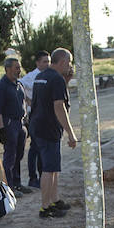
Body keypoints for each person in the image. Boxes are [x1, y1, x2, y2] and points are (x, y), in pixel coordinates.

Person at [27, 48, 79, 218]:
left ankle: (54, 200)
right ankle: (45, 207)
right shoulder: (56, 79)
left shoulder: (41, 76)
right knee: (49, 169)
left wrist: (66, 81)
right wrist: (70, 133)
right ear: (62, 61)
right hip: (48, 128)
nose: (70, 66)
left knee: (53, 167)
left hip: (38, 126)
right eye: (69, 62)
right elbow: (59, 106)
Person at [0, 57, 29, 196]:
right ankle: (9, 188)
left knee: (18, 155)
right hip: (9, 124)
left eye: (19, 67)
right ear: (8, 69)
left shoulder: (19, 84)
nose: (19, 70)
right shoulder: (1, 87)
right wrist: (2, 130)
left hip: (20, 124)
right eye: (16, 68)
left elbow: (23, 102)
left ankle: (17, 183)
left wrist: (26, 121)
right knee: (10, 157)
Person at [19, 51, 51, 190]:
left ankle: (42, 175)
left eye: (48, 61)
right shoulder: (31, 77)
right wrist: (28, 101)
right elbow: (19, 85)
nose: (47, 64)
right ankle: (33, 177)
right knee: (35, 148)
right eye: (44, 61)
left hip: (45, 115)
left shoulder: (49, 75)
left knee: (43, 147)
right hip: (34, 115)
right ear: (38, 63)